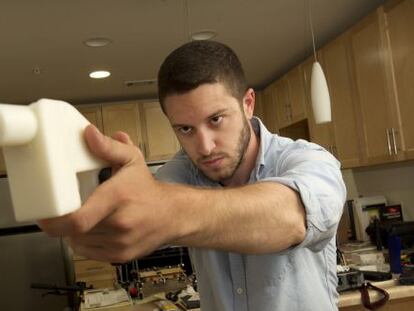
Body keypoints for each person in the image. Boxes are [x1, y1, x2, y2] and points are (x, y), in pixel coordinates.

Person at [39, 40, 346, 311]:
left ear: (248, 103)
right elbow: (141, 212)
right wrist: (105, 205)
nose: (204, 146)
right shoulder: (182, 170)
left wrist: (168, 209)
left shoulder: (308, 159)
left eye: (216, 119)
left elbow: (291, 217)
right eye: (185, 129)